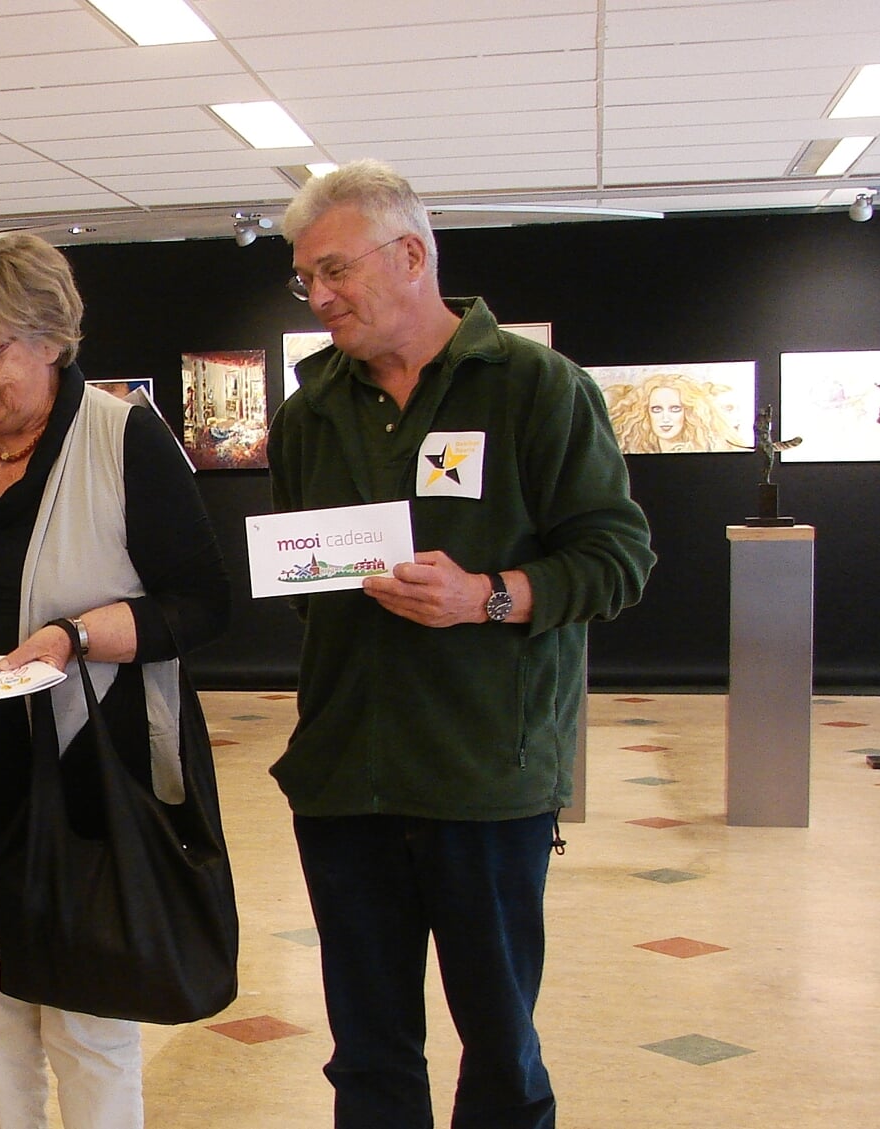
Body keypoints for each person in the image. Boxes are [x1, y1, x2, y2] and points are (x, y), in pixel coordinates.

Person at [267, 160, 655, 1129]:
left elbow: (617, 557)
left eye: (332, 271)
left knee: (497, 1045)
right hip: (342, 778)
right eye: (302, 279)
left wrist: (487, 596)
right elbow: (301, 583)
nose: (317, 296)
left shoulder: (535, 388)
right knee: (365, 1052)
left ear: (409, 254)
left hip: (483, 779)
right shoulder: (307, 411)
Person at [0, 234, 231, 1128]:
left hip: (88, 786)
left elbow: (202, 603)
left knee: (88, 1033)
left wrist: (76, 635)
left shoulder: (125, 437)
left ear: (49, 338)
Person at [602, 370, 745, 453]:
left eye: (675, 409)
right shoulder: (627, 450)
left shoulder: (711, 449)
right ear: (646, 413)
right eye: (656, 409)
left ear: (689, 412)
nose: (665, 418)